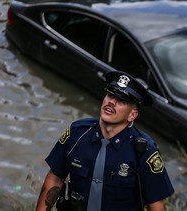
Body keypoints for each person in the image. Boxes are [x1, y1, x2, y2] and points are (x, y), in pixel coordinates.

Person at [36, 71, 174, 211]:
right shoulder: (77, 133)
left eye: (121, 100)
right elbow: (55, 177)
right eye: (110, 95)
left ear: (132, 115)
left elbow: (155, 205)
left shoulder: (145, 151)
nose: (111, 102)